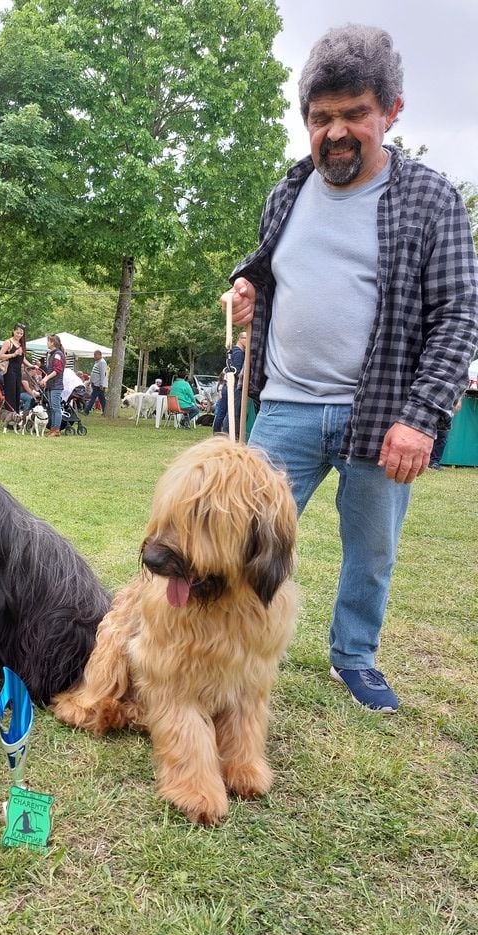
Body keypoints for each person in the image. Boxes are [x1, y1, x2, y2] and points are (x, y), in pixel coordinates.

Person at [223, 25, 478, 713]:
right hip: (283, 407)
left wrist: (422, 418)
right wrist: (247, 289)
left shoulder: (432, 200)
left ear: (391, 111)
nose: (335, 132)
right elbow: (268, 269)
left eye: (353, 114)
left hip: (384, 415)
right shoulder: (289, 190)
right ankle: (229, 651)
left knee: (371, 552)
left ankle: (354, 657)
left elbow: (458, 317)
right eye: (321, 117)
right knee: (243, 540)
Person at [212, 331, 247, 435]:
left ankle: (219, 433)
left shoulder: (232, 351)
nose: (247, 340)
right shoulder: (238, 352)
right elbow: (236, 369)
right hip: (234, 385)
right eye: (245, 338)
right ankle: (228, 433)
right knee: (233, 411)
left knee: (225, 411)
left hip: (229, 384)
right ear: (240, 339)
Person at [0, 323, 27, 412]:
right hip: (10, 370)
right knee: (11, 393)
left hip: (18, 371)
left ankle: (16, 416)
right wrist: (14, 354)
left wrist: (32, 366)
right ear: (13, 331)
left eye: (21, 334)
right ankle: (10, 417)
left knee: (17, 393)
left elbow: (23, 358)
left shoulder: (21, 344)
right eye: (17, 333)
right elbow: (0, 356)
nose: (19, 335)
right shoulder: (8, 342)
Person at [41, 335, 66, 437]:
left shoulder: (57, 355)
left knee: (56, 408)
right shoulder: (52, 354)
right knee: (52, 407)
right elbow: (51, 370)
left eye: (48, 341)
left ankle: (56, 429)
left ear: (52, 343)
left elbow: (57, 370)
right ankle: (53, 428)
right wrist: (45, 379)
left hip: (56, 385)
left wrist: (46, 378)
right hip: (52, 385)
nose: (47, 343)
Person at [84, 350, 109, 414]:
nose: (94, 356)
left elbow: (103, 374)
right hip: (95, 383)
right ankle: (105, 411)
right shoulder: (97, 362)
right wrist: (90, 381)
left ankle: (86, 411)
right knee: (102, 398)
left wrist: (101, 384)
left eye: (95, 355)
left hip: (98, 384)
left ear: (100, 355)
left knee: (93, 397)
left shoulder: (102, 362)